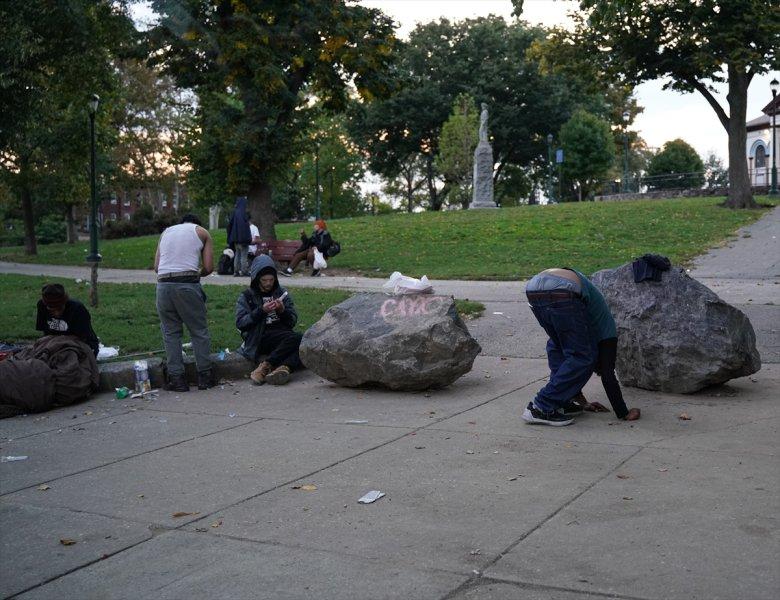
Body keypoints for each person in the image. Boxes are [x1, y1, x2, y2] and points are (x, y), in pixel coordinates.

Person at [523, 267, 641, 426]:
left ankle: (559, 402)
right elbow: (608, 375)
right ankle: (541, 406)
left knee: (558, 347)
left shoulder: (592, 325)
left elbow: (566, 361)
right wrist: (624, 412)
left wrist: (583, 404)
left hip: (534, 288)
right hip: (564, 290)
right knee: (584, 356)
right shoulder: (608, 335)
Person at [154, 213, 215, 392]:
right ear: (197, 224)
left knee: (171, 333)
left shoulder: (165, 232)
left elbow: (157, 267)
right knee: (198, 330)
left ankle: (177, 379)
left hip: (163, 286)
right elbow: (209, 267)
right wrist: (198, 274)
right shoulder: (202, 232)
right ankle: (205, 377)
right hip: (187, 284)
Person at [236, 254, 302, 385]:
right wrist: (261, 311)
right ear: (257, 279)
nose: (268, 284)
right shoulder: (247, 296)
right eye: (264, 280)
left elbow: (292, 321)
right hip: (259, 336)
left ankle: (282, 368)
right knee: (297, 339)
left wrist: (282, 310)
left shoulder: (281, 293)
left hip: (281, 334)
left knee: (303, 341)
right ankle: (269, 366)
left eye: (271, 280)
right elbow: (241, 323)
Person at [35, 283, 100, 356]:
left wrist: (60, 342)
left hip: (78, 343)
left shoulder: (77, 308)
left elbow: (83, 337)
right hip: (53, 342)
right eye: (52, 310)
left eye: (59, 308)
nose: (56, 313)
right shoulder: (41, 305)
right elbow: (45, 332)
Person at [226, 196, 252, 277]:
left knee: (237, 254)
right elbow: (245, 228)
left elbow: (229, 225)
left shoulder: (234, 212)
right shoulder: (244, 213)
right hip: (243, 239)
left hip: (235, 239)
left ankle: (236, 271)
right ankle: (244, 271)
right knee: (244, 255)